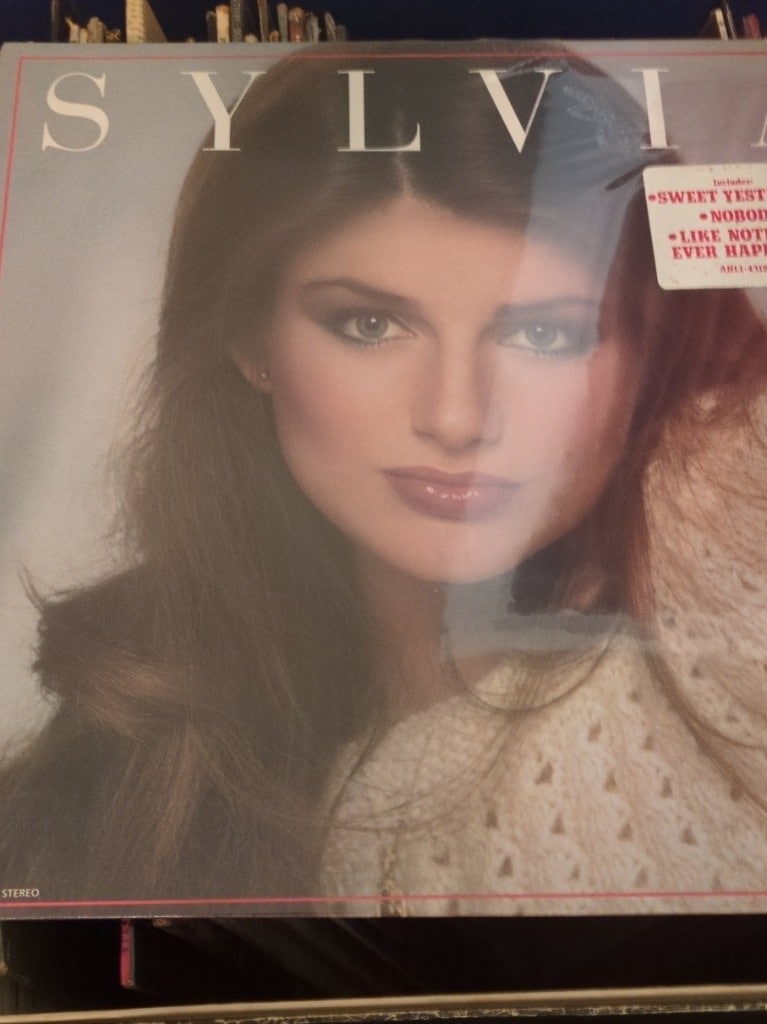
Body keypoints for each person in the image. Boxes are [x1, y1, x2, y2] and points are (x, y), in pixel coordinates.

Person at [1, 42, 766, 912]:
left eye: (544, 334)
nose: (456, 417)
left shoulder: (725, 557)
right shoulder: (115, 788)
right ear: (250, 339)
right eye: (368, 325)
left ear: (646, 358)